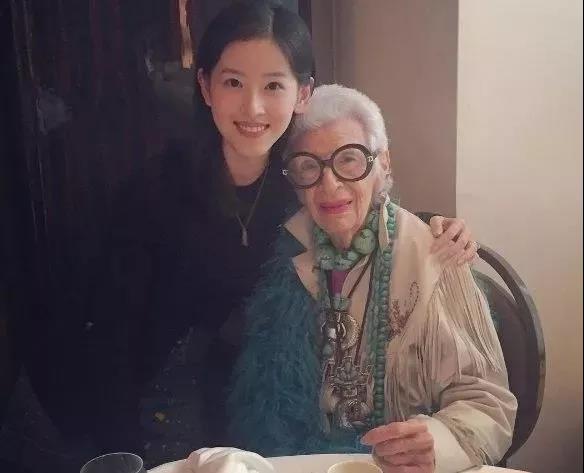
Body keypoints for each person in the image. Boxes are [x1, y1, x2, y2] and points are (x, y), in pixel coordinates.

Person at [4, 1, 478, 468]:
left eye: (273, 85)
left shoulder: (301, 180)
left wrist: (437, 226)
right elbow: (111, 342)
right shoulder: (154, 193)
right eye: (233, 82)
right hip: (138, 407)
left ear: (302, 94)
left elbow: (363, 212)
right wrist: (126, 455)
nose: (253, 107)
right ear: (205, 86)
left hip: (237, 410)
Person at [226, 84, 517, 473]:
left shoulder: (436, 257)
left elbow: (488, 403)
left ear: (383, 164)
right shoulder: (285, 255)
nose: (330, 184)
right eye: (309, 166)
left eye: (349, 159)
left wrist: (437, 442)